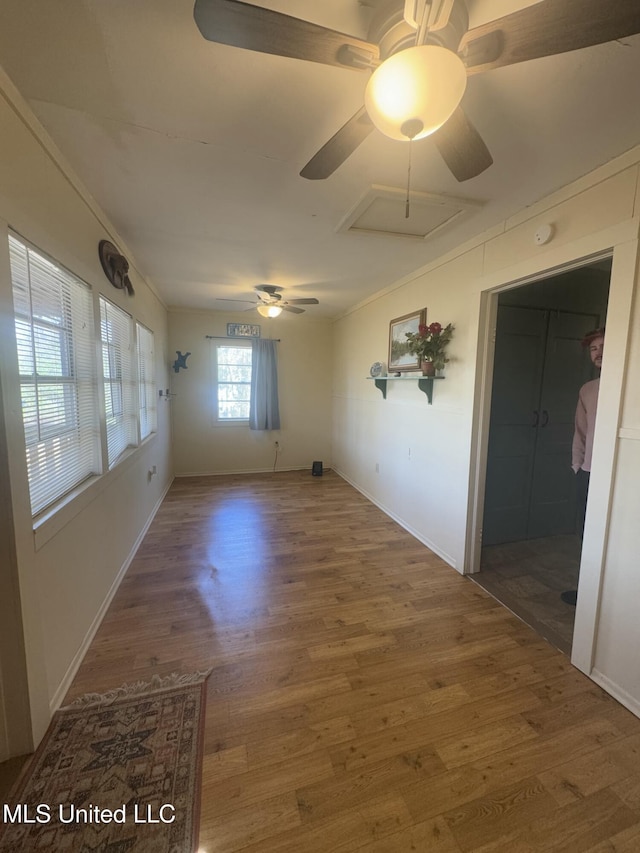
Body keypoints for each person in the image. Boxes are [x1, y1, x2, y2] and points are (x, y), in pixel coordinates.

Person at [561, 327, 605, 606]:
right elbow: (581, 430)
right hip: (589, 472)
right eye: (594, 349)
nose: (599, 353)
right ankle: (587, 591)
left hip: (621, 475)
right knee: (587, 531)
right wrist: (578, 463)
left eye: (604, 346)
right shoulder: (588, 389)